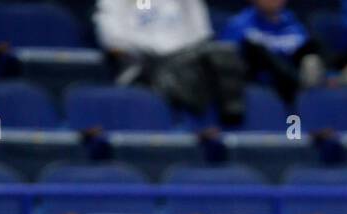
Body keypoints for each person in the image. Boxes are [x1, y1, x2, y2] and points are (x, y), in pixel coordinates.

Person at [93, 0, 246, 124]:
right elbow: (112, 39)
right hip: (142, 65)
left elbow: (202, 33)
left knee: (223, 55)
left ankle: (227, 117)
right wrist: (153, 50)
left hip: (185, 59)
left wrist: (180, 53)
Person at [220, 1, 325, 102]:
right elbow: (228, 64)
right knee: (257, 51)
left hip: (294, 83)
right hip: (259, 86)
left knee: (314, 49)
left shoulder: (293, 23)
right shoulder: (238, 25)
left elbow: (303, 50)